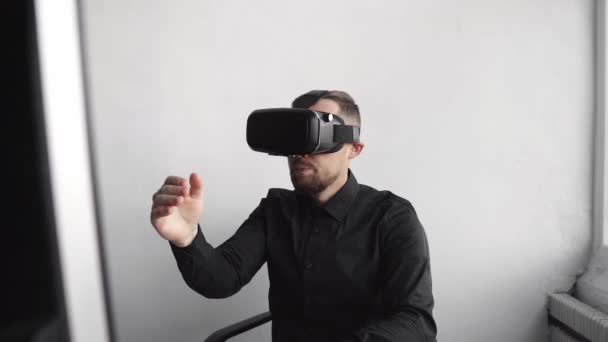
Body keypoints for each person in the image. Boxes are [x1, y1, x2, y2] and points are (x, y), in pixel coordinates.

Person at [150, 90, 437, 341]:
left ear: (354, 149)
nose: (300, 152)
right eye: (295, 137)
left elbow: (416, 322)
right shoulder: (276, 210)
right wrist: (187, 238)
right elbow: (221, 278)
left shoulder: (392, 217)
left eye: (315, 135)